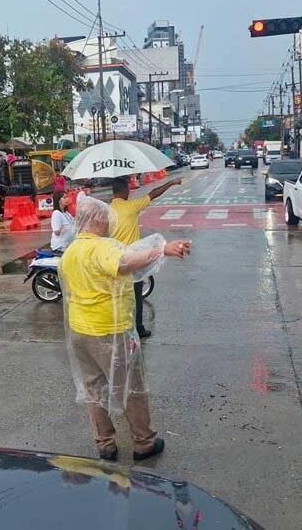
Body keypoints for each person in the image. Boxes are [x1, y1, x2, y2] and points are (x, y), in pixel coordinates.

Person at [60, 194, 191, 461]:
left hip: (79, 332)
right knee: (132, 387)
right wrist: (161, 250)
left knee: (94, 388)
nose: (110, 223)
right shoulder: (102, 248)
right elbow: (124, 263)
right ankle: (143, 442)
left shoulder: (71, 251)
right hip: (109, 330)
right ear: (97, 220)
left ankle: (105, 444)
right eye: (107, 218)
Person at [110, 175, 182, 338]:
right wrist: (171, 182)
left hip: (114, 259)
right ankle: (138, 327)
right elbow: (154, 193)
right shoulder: (131, 206)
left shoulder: (106, 211)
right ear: (124, 190)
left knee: (117, 296)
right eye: (128, 189)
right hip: (133, 259)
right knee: (136, 295)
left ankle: (119, 327)